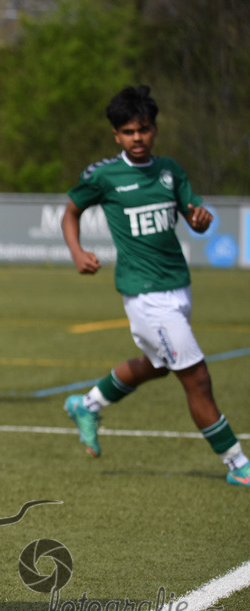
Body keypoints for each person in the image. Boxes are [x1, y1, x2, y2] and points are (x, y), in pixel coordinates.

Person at [61, 85, 248, 488]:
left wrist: (201, 220)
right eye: (128, 132)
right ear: (116, 135)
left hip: (178, 286)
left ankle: (88, 404)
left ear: (155, 129)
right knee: (196, 378)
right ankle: (238, 464)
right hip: (144, 295)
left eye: (143, 129)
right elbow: (71, 212)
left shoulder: (169, 170)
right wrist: (77, 252)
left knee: (158, 365)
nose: (137, 138)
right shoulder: (104, 176)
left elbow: (195, 215)